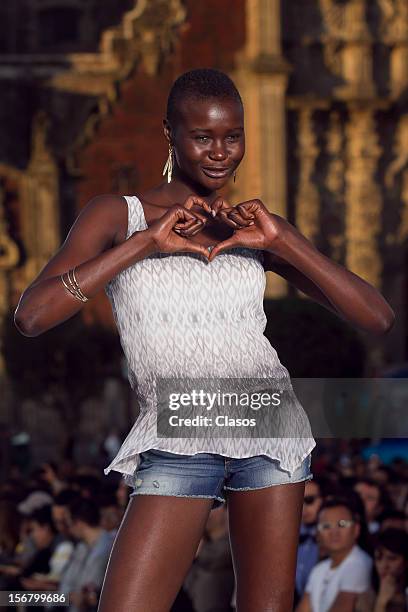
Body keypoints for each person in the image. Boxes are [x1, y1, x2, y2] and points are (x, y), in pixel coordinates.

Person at [14, 68, 395, 611]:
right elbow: (32, 315)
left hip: (269, 425)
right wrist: (145, 244)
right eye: (203, 136)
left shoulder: (254, 228)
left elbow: (377, 316)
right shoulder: (118, 215)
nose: (221, 152)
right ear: (170, 133)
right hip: (179, 431)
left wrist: (284, 240)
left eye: (232, 136)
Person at [296, 497, 373, 612]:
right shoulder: (319, 569)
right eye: (326, 526)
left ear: (356, 529)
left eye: (342, 524)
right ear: (318, 533)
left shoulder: (359, 564)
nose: (334, 532)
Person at [355, 528, 408, 612]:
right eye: (378, 558)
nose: (384, 565)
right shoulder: (366, 598)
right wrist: (381, 602)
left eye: (392, 558)